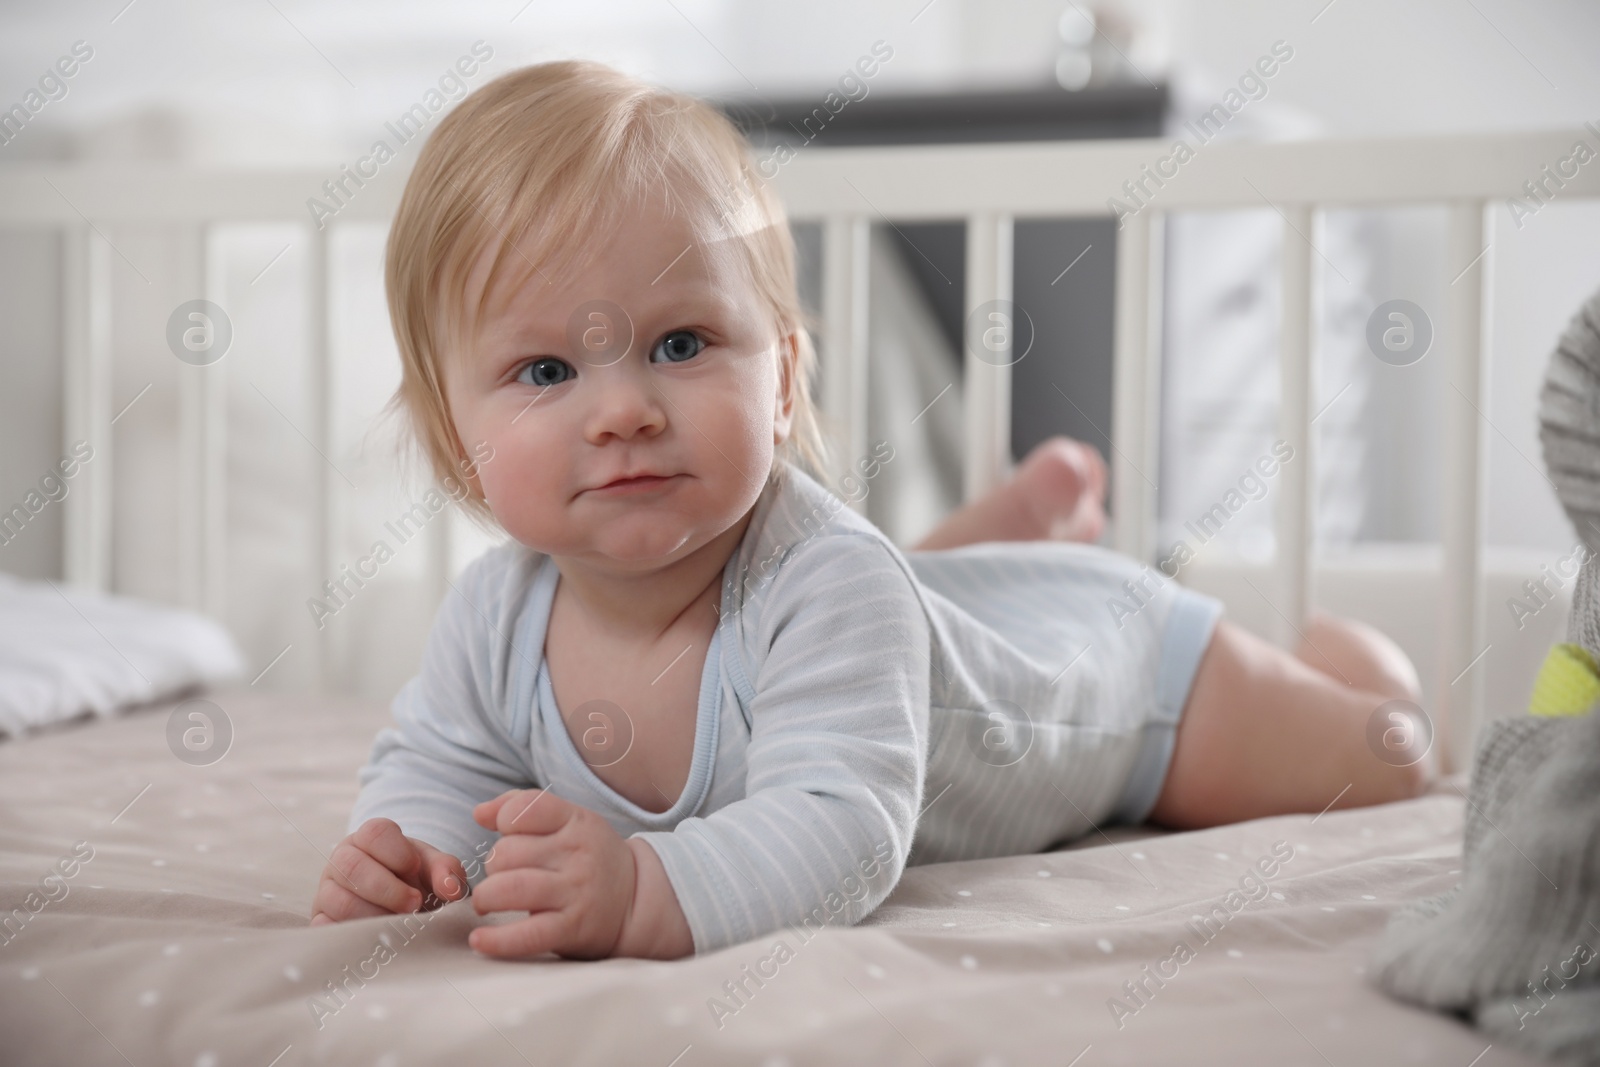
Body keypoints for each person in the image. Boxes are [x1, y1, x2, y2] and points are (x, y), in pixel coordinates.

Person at [309, 60, 1431, 961]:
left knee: (1382, 761)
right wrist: (412, 849)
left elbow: (842, 830)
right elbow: (442, 764)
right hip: (923, 631)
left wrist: (647, 888)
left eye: (682, 344)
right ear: (456, 434)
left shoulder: (827, 582)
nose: (622, 410)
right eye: (547, 371)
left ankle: (1351, 664)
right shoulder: (493, 615)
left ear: (784, 381)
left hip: (1119, 679)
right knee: (894, 596)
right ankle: (998, 537)